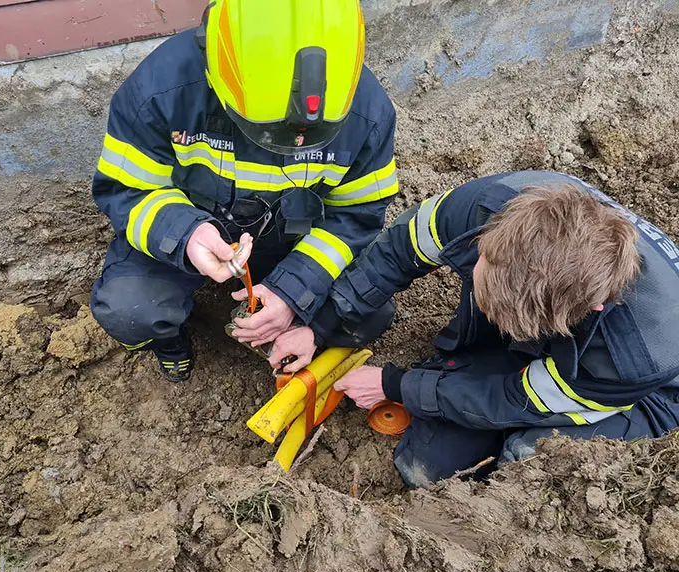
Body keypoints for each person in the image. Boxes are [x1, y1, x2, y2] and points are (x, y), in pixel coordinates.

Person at [270, 171, 679, 488]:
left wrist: (396, 385)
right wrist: (320, 326)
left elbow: (515, 399)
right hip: (565, 341)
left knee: (528, 459)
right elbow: (395, 254)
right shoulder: (486, 205)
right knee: (426, 465)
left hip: (647, 394)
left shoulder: (632, 357)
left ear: (587, 309)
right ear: (491, 238)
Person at [89, 0, 398, 381]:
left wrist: (294, 291)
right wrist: (186, 235)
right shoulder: (162, 89)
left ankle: (299, 330)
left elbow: (356, 217)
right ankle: (167, 340)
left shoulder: (368, 112)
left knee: (371, 313)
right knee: (129, 311)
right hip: (190, 230)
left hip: (292, 241)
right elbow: (127, 190)